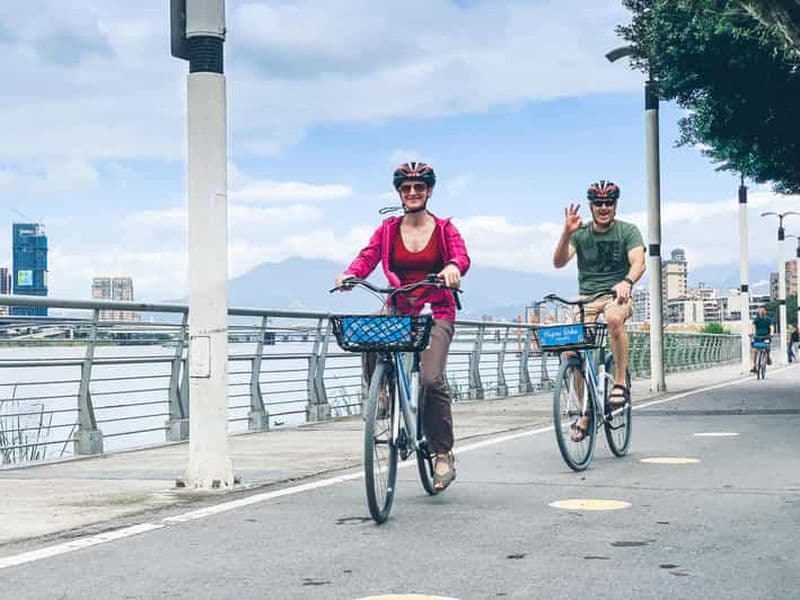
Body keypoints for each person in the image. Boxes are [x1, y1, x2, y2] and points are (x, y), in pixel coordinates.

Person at [334, 161, 470, 490]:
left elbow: (461, 257)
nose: (412, 193)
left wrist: (452, 268)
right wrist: (351, 274)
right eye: (406, 188)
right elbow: (367, 258)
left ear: (429, 191)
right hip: (400, 305)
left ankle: (442, 454)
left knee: (430, 378)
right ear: (399, 192)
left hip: (436, 308)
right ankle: (379, 392)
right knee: (368, 333)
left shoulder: (444, 229)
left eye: (419, 187)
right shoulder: (388, 229)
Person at [552, 180, 646, 442]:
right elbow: (559, 262)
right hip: (586, 299)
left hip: (616, 295)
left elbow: (639, 261)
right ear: (591, 206)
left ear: (615, 205)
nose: (604, 207)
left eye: (609, 203)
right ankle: (586, 410)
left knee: (614, 318)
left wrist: (627, 282)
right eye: (598, 203)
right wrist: (566, 233)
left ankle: (619, 382)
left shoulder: (627, 231)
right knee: (570, 348)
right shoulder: (580, 233)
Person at [750, 306, 774, 372]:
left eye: (763, 310)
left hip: (766, 336)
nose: (762, 312)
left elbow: (771, 327)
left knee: (767, 347)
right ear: (759, 312)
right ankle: (754, 366)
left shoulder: (769, 319)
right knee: (755, 351)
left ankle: (768, 357)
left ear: (765, 311)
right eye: (760, 310)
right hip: (758, 337)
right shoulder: (756, 319)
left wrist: (771, 333)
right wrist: (751, 333)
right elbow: (752, 326)